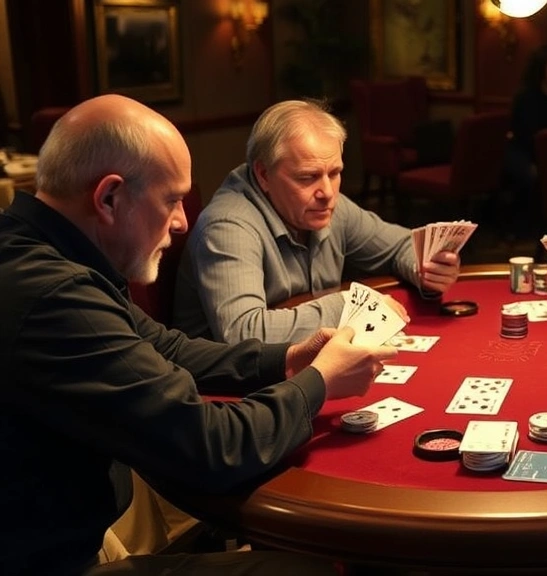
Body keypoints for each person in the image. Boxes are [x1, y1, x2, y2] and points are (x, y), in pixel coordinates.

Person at [0, 94, 397, 575]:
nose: (183, 221)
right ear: (109, 198)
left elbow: (166, 345)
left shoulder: (39, 250)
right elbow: (215, 448)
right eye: (171, 201)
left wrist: (288, 359)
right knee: (307, 571)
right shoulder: (55, 297)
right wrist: (319, 381)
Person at [173, 99, 460, 344]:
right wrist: (352, 307)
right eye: (307, 177)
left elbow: (401, 246)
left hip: (297, 370)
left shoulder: (329, 206)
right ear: (263, 175)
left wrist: (425, 268)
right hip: (223, 394)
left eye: (334, 173)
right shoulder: (228, 227)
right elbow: (244, 333)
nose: (327, 192)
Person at [498, 44, 547, 239]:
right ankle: (525, 227)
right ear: (541, 67)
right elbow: (526, 134)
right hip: (523, 152)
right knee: (531, 175)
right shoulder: (526, 96)